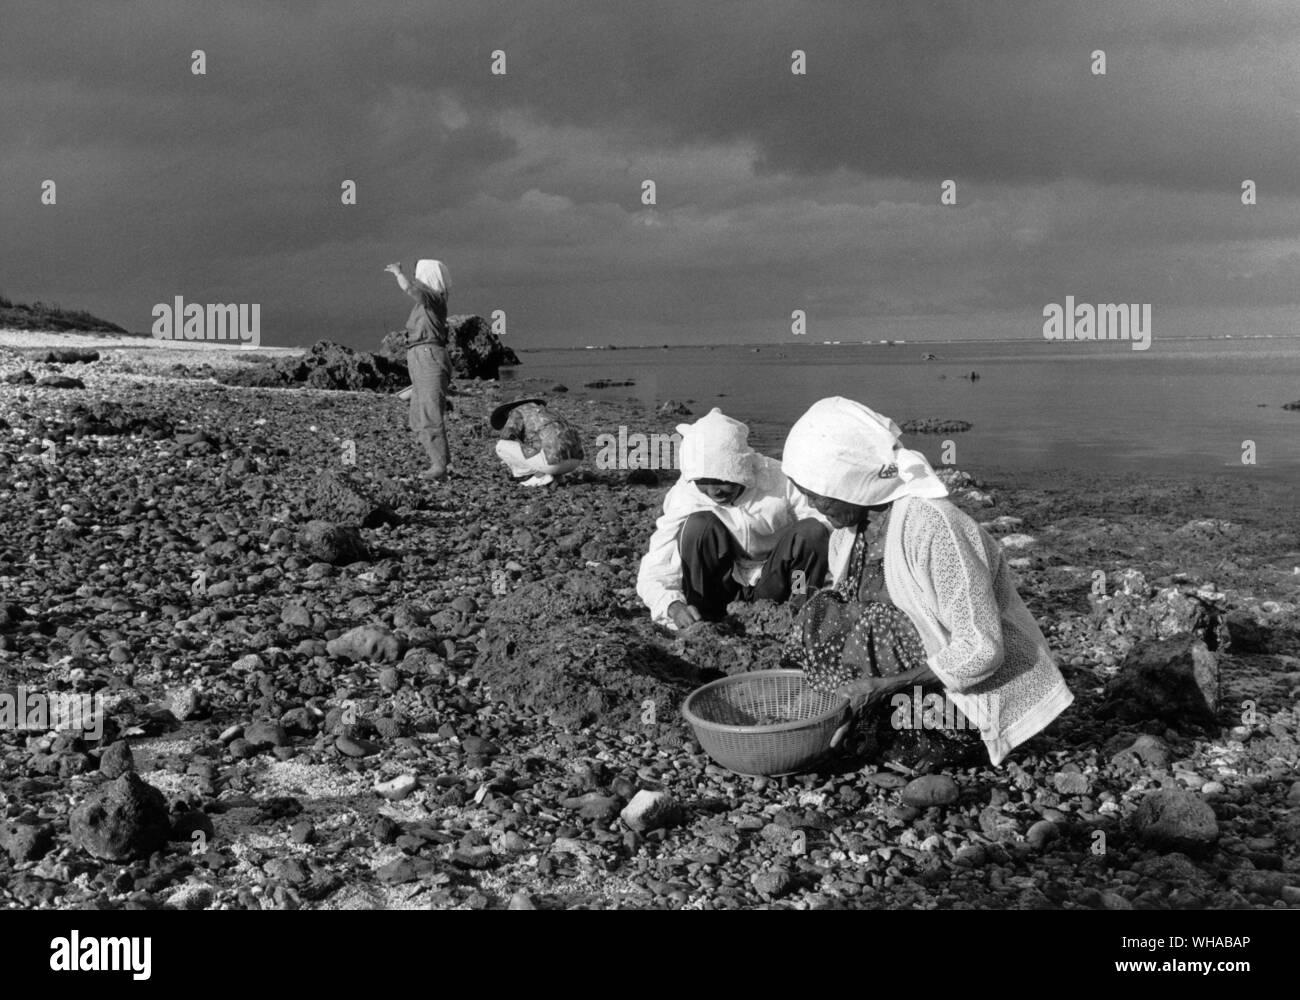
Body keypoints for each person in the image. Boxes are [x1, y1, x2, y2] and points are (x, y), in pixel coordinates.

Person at [781, 397, 1073, 769]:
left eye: (816, 494)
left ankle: (923, 727)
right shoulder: (848, 535)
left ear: (850, 483)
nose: (811, 505)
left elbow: (982, 649)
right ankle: (851, 713)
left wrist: (883, 687)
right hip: (902, 685)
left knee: (889, 733)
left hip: (974, 691)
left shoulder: (935, 528)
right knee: (822, 608)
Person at [636, 408, 830, 630]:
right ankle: (703, 619)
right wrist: (673, 606)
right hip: (717, 589)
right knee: (698, 525)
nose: (713, 491)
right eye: (704, 482)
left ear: (741, 469)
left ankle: (798, 607)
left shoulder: (777, 478)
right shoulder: (685, 494)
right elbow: (656, 566)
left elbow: (823, 526)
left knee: (812, 532)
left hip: (778, 582)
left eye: (722, 481)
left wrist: (774, 544)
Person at [385, 258, 452, 480]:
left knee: (429, 412)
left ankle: (439, 465)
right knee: (417, 416)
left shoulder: (433, 298)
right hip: (420, 355)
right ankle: (440, 461)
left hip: (428, 355)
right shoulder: (428, 303)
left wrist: (397, 273)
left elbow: (409, 288)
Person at [491, 398, 584, 487]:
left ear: (508, 409)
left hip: (552, 463)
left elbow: (506, 435)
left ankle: (530, 477)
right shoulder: (550, 412)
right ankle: (557, 476)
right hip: (575, 461)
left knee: (501, 445)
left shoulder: (517, 411)